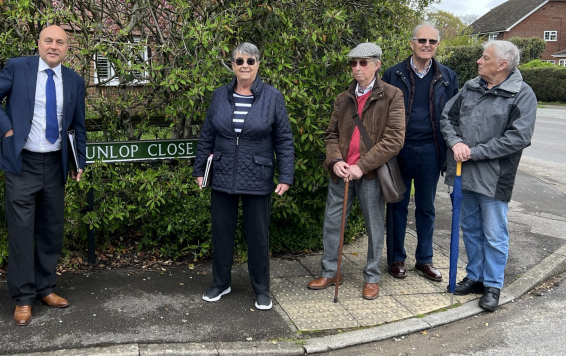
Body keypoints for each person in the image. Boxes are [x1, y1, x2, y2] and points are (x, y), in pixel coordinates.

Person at [0, 25, 86, 326]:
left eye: (60, 42)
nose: (54, 46)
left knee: (51, 229)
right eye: (48, 40)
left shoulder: (74, 80)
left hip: (55, 164)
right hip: (22, 162)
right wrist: (6, 128)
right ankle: (24, 298)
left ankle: (45, 288)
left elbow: (78, 125)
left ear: (67, 48)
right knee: (22, 230)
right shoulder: (18, 67)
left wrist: (80, 161)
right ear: (38, 43)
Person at [192, 42, 294, 311]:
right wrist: (199, 170)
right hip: (223, 173)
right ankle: (220, 283)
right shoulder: (218, 96)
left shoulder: (273, 97)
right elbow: (207, 136)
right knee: (222, 234)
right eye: (239, 61)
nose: (245, 66)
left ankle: (261, 288)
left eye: (250, 61)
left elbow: (283, 139)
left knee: (258, 236)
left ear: (258, 64)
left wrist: (286, 175)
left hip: (258, 176)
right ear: (233, 65)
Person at [441, 40, 537, 311]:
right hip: (463, 174)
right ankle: (475, 277)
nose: (479, 61)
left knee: (494, 233)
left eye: (485, 57)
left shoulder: (521, 94)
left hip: (495, 176)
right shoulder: (470, 88)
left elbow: (518, 137)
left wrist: (474, 152)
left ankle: (493, 285)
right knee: (470, 228)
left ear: (502, 64)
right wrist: (456, 143)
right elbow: (447, 118)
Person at [307, 43, 404, 300]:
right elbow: (332, 135)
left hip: (370, 174)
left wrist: (361, 166)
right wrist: (335, 161)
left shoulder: (393, 95)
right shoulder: (343, 98)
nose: (357, 68)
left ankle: (372, 277)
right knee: (332, 223)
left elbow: (394, 140)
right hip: (341, 173)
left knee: (374, 226)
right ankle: (330, 272)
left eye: (363, 63)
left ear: (377, 64)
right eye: (353, 63)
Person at [382, 24, 459, 281]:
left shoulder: (448, 77)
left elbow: (454, 116)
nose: (427, 45)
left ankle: (424, 260)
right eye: (422, 40)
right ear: (412, 43)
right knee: (397, 205)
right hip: (399, 150)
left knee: (426, 207)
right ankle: (396, 258)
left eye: (433, 41)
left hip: (431, 150)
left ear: (437, 45)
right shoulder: (393, 75)